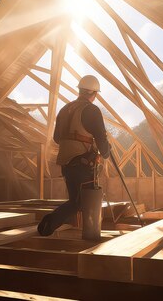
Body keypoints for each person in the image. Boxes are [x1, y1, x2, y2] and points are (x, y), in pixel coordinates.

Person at [37, 75, 110, 236]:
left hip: (67, 164)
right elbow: (101, 139)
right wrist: (106, 151)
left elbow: (57, 138)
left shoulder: (65, 109)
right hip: (83, 163)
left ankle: (82, 232)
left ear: (80, 90)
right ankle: (51, 223)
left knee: (76, 201)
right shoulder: (92, 110)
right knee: (81, 202)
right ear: (94, 93)